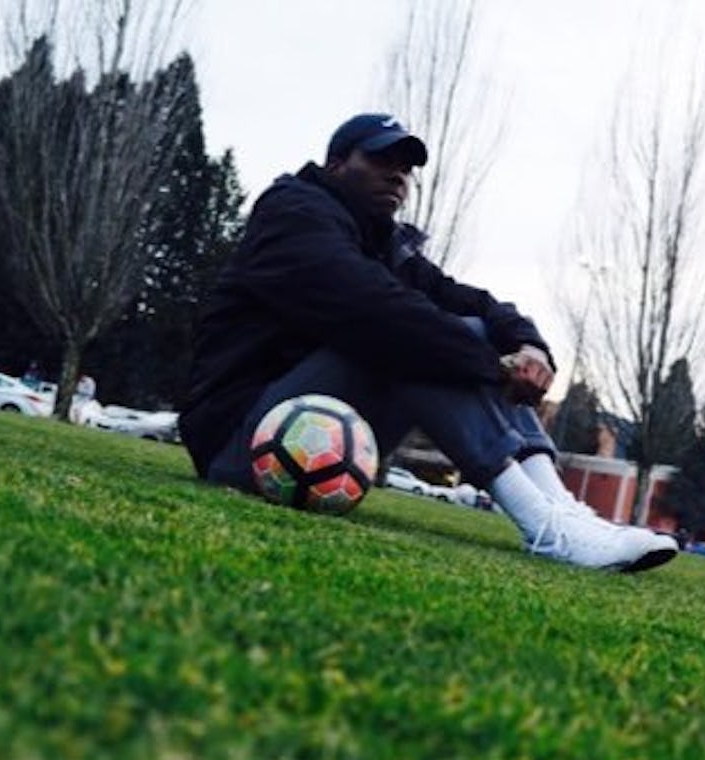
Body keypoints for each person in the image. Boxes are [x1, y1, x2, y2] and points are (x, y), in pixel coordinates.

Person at [179, 113, 677, 572]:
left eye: (406, 167)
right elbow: (374, 313)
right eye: (381, 160)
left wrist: (528, 348)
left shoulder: (384, 245)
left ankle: (561, 508)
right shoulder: (293, 214)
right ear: (336, 164)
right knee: (407, 338)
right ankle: (543, 525)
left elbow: (474, 303)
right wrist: (493, 366)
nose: (398, 175)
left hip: (314, 436)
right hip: (240, 443)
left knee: (461, 329)